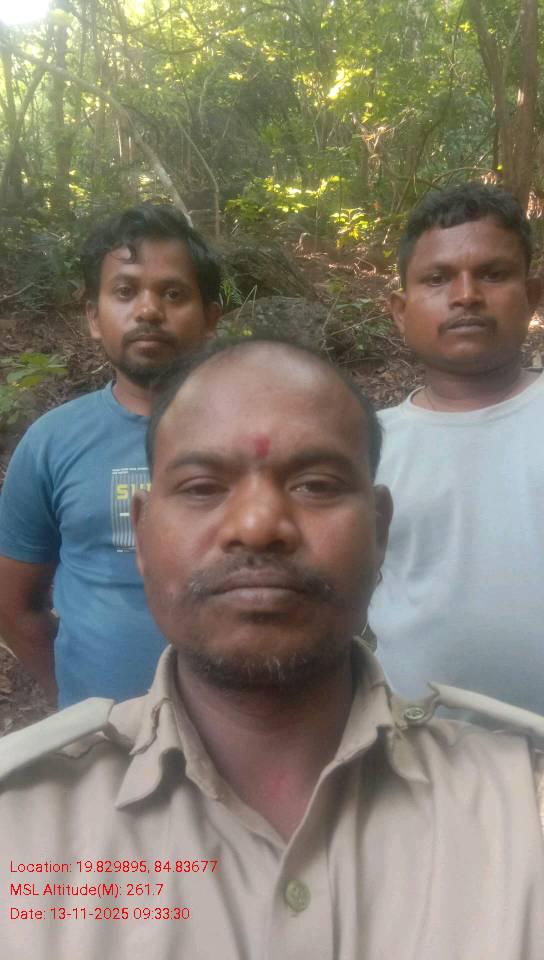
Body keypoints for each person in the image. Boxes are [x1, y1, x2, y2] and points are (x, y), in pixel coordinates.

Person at [0, 337, 543, 960]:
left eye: (315, 485)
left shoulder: (524, 810)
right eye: (202, 487)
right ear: (142, 535)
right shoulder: (20, 828)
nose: (257, 526)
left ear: (379, 532)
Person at [0, 203, 221, 706]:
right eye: (125, 292)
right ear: (94, 317)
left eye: (173, 293)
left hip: (238, 727)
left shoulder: (255, 434)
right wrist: (74, 697)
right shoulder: (52, 442)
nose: (148, 310)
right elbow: (13, 603)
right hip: (102, 735)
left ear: (210, 318)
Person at [368, 182, 544, 716]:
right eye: (437, 278)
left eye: (492, 274)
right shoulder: (367, 445)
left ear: (533, 296)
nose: (466, 295)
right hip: (419, 744)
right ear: (400, 310)